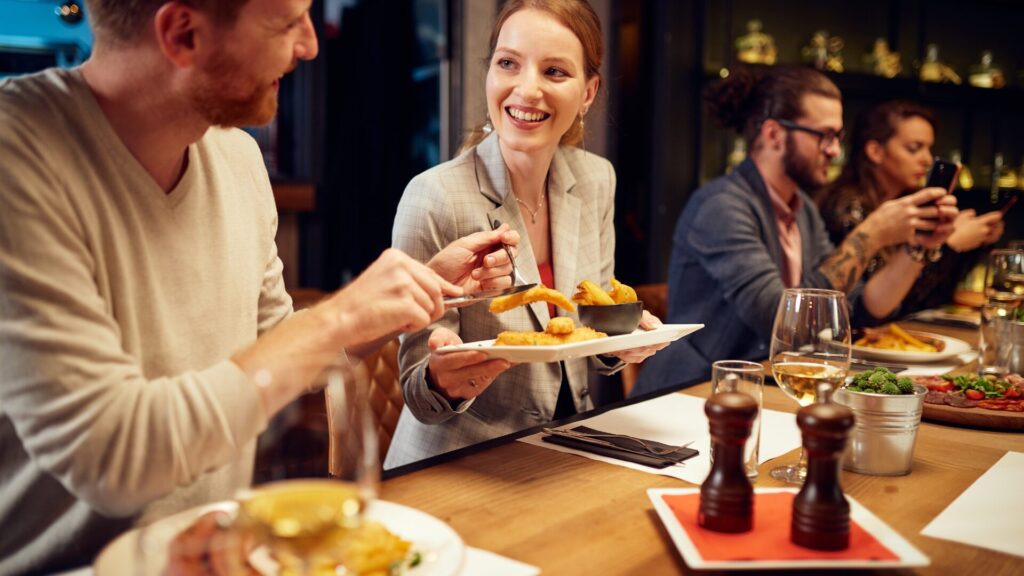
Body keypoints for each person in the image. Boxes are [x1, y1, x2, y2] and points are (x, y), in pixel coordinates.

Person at [0, 1, 520, 573]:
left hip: (224, 553)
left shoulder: (237, 155)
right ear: (183, 34)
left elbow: (279, 350)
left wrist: (410, 296)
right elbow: (111, 457)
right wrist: (336, 317)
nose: (310, 45)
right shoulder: (17, 159)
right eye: (286, 22)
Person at [384, 0, 665, 469]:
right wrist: (444, 380)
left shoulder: (596, 179)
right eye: (508, 63)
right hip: (455, 467)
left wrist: (624, 343)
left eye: (554, 71)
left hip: (565, 452)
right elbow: (420, 396)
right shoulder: (433, 196)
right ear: (490, 73)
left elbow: (593, 329)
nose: (526, 89)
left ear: (589, 91)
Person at [634, 66, 958, 395]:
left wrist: (916, 249)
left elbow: (856, 308)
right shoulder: (722, 205)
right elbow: (780, 321)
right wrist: (870, 235)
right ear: (774, 134)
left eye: (838, 137)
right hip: (692, 393)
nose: (834, 150)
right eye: (824, 136)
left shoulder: (801, 206)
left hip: (764, 388)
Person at [817, 100, 1004, 313]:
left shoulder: (910, 203)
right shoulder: (845, 208)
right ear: (875, 151)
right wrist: (950, 246)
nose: (927, 159)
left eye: (929, 148)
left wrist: (973, 244)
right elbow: (894, 306)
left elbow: (936, 296)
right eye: (914, 148)